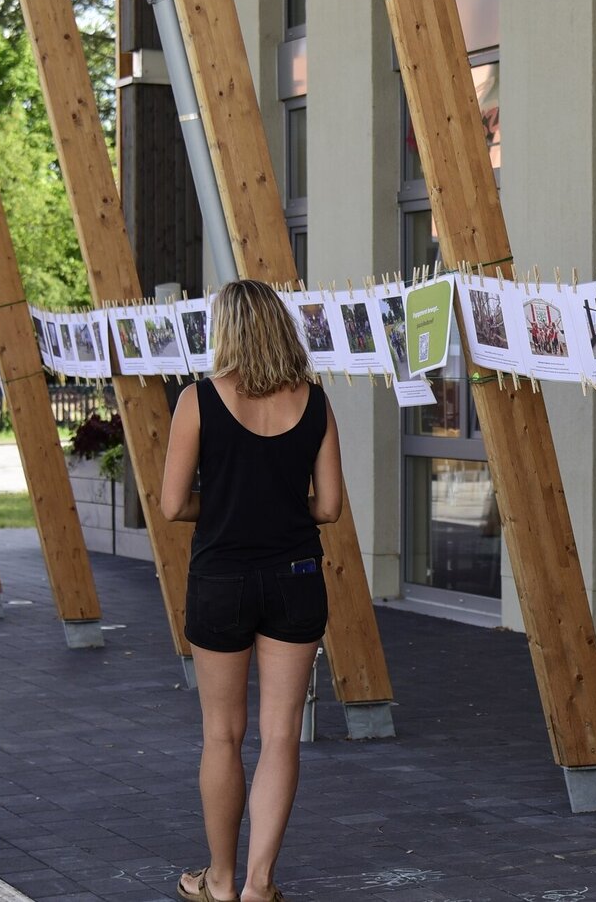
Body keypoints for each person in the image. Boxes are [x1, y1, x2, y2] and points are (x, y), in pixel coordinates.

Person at [160, 279, 343, 902]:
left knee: (222, 734)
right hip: (296, 578)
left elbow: (170, 503)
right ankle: (261, 884)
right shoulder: (314, 402)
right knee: (282, 732)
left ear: (228, 331)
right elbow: (331, 508)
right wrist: (277, 501)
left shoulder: (199, 400)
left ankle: (219, 879)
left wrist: (229, 504)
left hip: (222, 579)